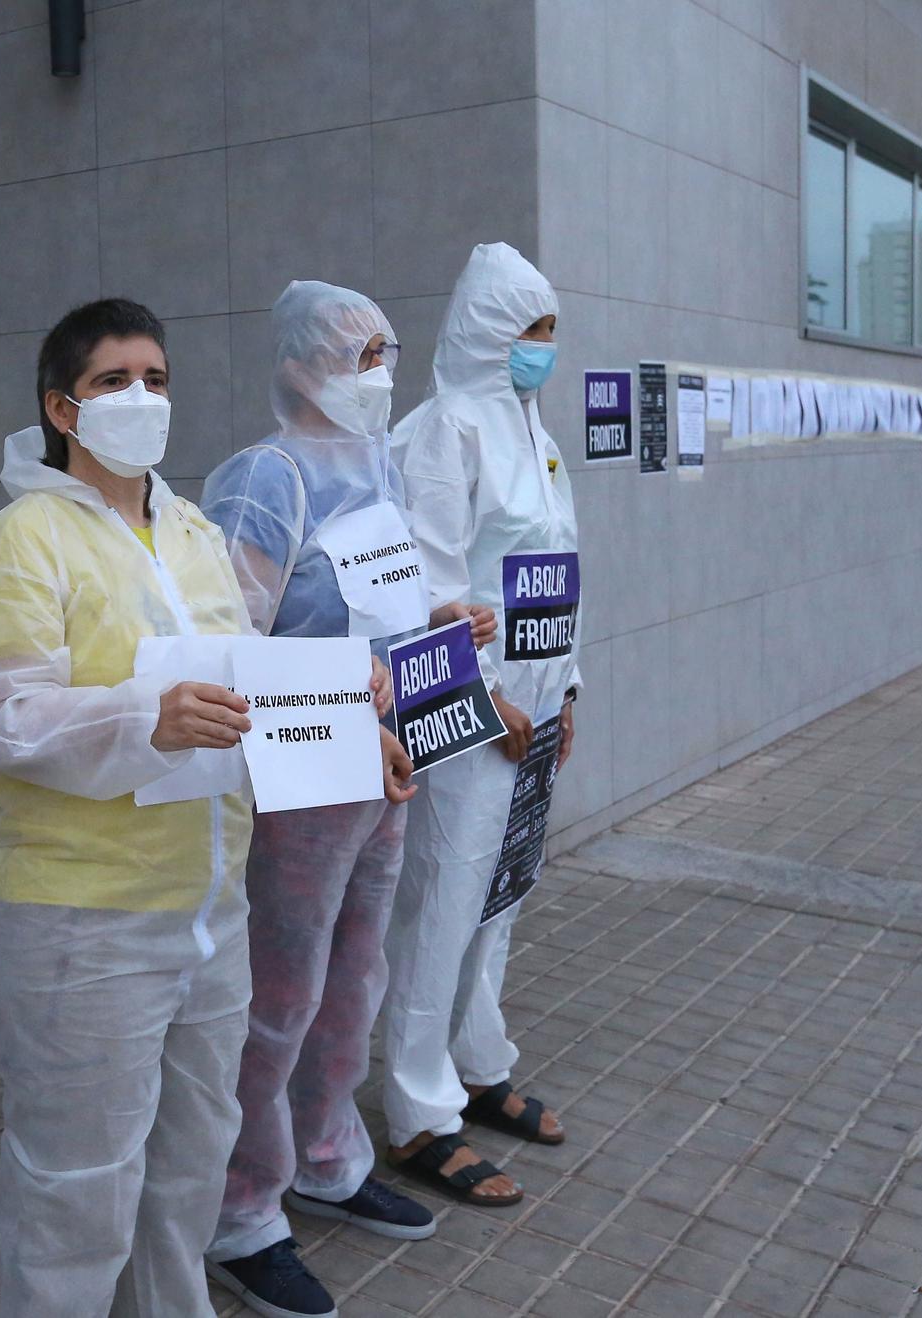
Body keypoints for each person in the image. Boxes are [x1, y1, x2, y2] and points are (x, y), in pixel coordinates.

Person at [0, 297, 412, 1316]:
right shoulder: (22, 539)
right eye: (114, 380)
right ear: (61, 409)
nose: (141, 398)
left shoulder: (196, 535)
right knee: (78, 1181)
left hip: (207, 908)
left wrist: (353, 721)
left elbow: (245, 689)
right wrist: (140, 718)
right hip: (80, 916)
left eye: (155, 378)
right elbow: (2, 713)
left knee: (188, 1164)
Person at [199, 282, 495, 1318]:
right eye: (359, 354)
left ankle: (324, 1155)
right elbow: (232, 646)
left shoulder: (372, 470)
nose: (381, 373)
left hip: (386, 761)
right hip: (301, 778)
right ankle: (239, 1208)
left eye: (386, 351)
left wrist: (447, 623)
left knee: (351, 976)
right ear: (295, 368)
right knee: (276, 994)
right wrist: (342, 712)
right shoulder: (261, 480)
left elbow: (375, 615)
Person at [379, 243, 579, 1209]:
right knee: (441, 904)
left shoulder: (535, 433)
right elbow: (425, 587)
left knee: (499, 899)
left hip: (534, 712)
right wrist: (487, 695)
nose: (544, 349)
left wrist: (564, 690)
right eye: (529, 331)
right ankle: (419, 1113)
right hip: (472, 714)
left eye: (550, 331)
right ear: (488, 334)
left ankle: (476, 1061)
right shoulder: (443, 432)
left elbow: (557, 570)